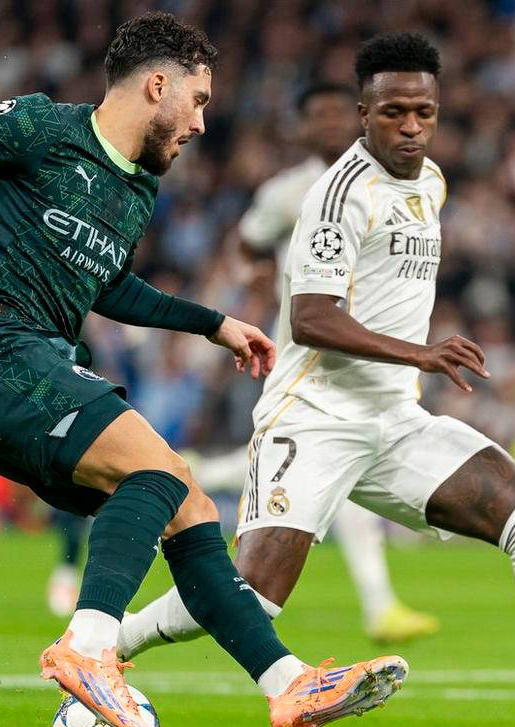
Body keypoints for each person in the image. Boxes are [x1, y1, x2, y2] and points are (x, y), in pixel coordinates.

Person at [0, 12, 408, 727]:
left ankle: (287, 682)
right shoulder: (42, 128)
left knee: (189, 505)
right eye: (198, 101)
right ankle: (88, 644)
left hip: (38, 367)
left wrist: (213, 323)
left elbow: (107, 287)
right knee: (158, 474)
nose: (201, 124)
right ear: (157, 85)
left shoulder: (135, 190)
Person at [118, 33, 515, 727]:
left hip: (394, 420)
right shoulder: (338, 195)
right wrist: (420, 352)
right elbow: (311, 318)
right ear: (365, 114)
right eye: (394, 113)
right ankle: (110, 644)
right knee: (253, 597)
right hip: (314, 417)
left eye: (424, 112)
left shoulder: (432, 183)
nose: (411, 126)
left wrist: (412, 363)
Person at [187, 82, 438, 643]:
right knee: (334, 462)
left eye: (335, 114)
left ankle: (197, 473)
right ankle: (380, 607)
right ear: (302, 128)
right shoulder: (287, 192)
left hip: (364, 350)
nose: (327, 124)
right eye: (316, 115)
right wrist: (256, 280)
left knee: (322, 464)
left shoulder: (382, 184)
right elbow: (246, 244)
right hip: (308, 351)